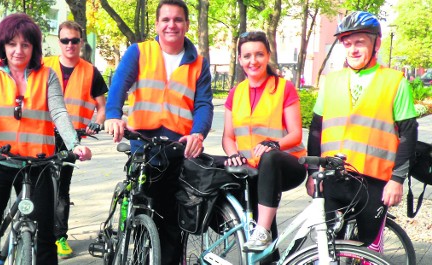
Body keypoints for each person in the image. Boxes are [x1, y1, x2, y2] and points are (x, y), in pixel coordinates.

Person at [0, 13, 92, 265]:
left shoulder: (48, 75)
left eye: (25, 44)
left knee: (45, 235)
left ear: (34, 47)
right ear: (3, 46)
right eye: (12, 44)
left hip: (38, 164)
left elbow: (59, 112)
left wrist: (75, 145)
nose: (18, 50)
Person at [104, 0, 213, 263]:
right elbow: (119, 85)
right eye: (165, 20)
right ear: (157, 24)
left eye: (177, 20)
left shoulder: (198, 63)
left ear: (186, 24)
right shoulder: (139, 52)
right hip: (144, 142)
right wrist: (113, 116)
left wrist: (198, 133)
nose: (171, 25)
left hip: (178, 146)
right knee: (144, 205)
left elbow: (203, 104)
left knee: (172, 221)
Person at [307, 11, 418, 249]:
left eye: (360, 43)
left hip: (374, 181)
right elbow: (316, 129)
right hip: (333, 178)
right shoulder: (331, 81)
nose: (353, 50)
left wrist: (397, 180)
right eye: (347, 44)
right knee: (328, 250)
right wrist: (312, 173)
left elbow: (408, 134)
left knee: (368, 251)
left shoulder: (395, 82)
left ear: (376, 43)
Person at [221, 31, 307, 252]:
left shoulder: (283, 88)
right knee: (263, 244)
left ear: (268, 55)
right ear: (240, 59)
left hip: (286, 164)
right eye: (247, 56)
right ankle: (264, 235)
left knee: (269, 159)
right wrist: (233, 155)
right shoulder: (235, 93)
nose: (253, 61)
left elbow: (296, 134)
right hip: (252, 170)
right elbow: (228, 137)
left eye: (259, 54)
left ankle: (263, 231)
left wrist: (274, 144)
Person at [42, 20, 108, 259]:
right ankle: (35, 232)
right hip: (41, 134)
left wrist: (97, 123)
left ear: (81, 42)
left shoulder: (90, 71)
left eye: (74, 40)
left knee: (61, 187)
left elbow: (102, 108)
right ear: (58, 42)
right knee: (36, 183)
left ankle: (59, 237)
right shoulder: (44, 64)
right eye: (64, 40)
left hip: (71, 140)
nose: (69, 45)